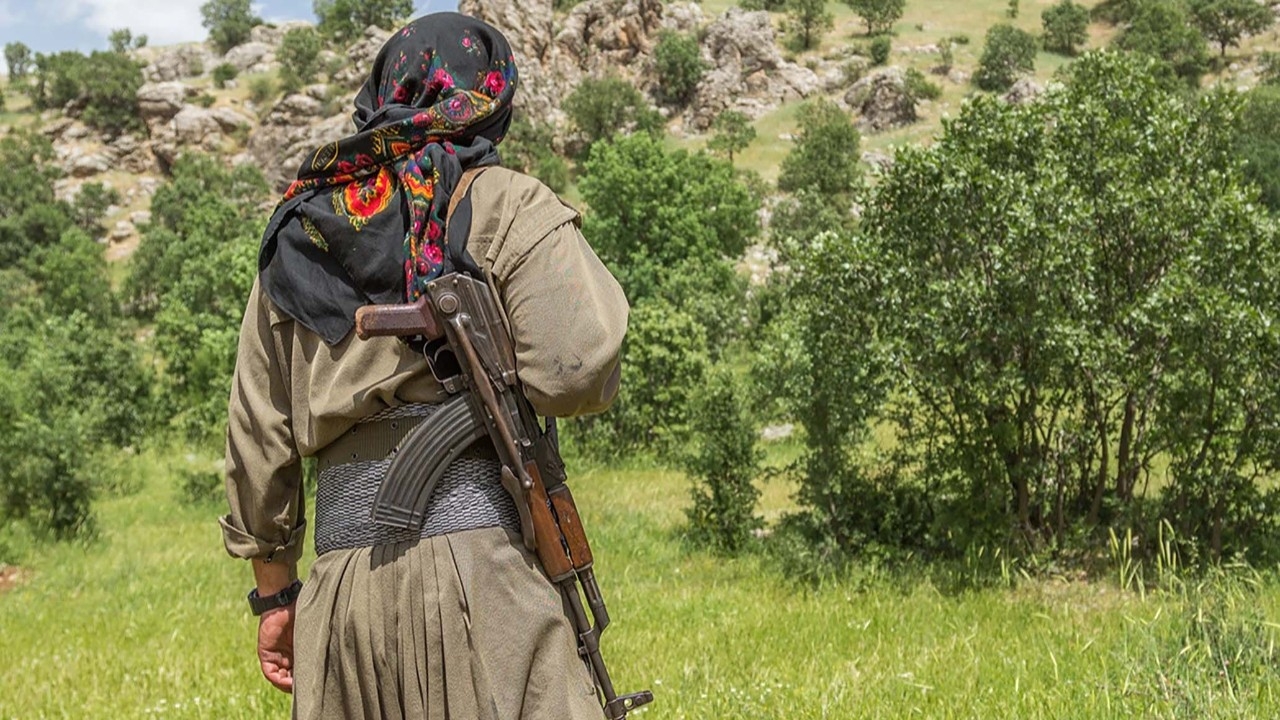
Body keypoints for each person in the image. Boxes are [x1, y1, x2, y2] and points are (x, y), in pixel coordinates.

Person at [220, 12, 628, 719]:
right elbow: (575, 369)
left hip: (342, 595)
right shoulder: (502, 203)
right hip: (483, 576)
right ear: (490, 98)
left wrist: (277, 594)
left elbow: (259, 437)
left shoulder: (297, 236)